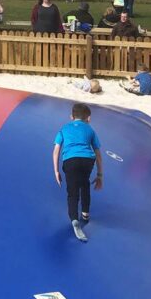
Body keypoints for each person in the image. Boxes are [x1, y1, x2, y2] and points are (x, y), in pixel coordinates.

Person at [53, 102, 103, 242]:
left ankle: (74, 219)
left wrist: (56, 171)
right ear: (88, 119)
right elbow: (98, 154)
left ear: (71, 117)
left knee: (72, 192)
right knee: (85, 184)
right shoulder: (90, 130)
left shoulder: (64, 128)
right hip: (87, 160)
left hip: (70, 160)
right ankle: (85, 213)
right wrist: (100, 175)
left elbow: (56, 150)